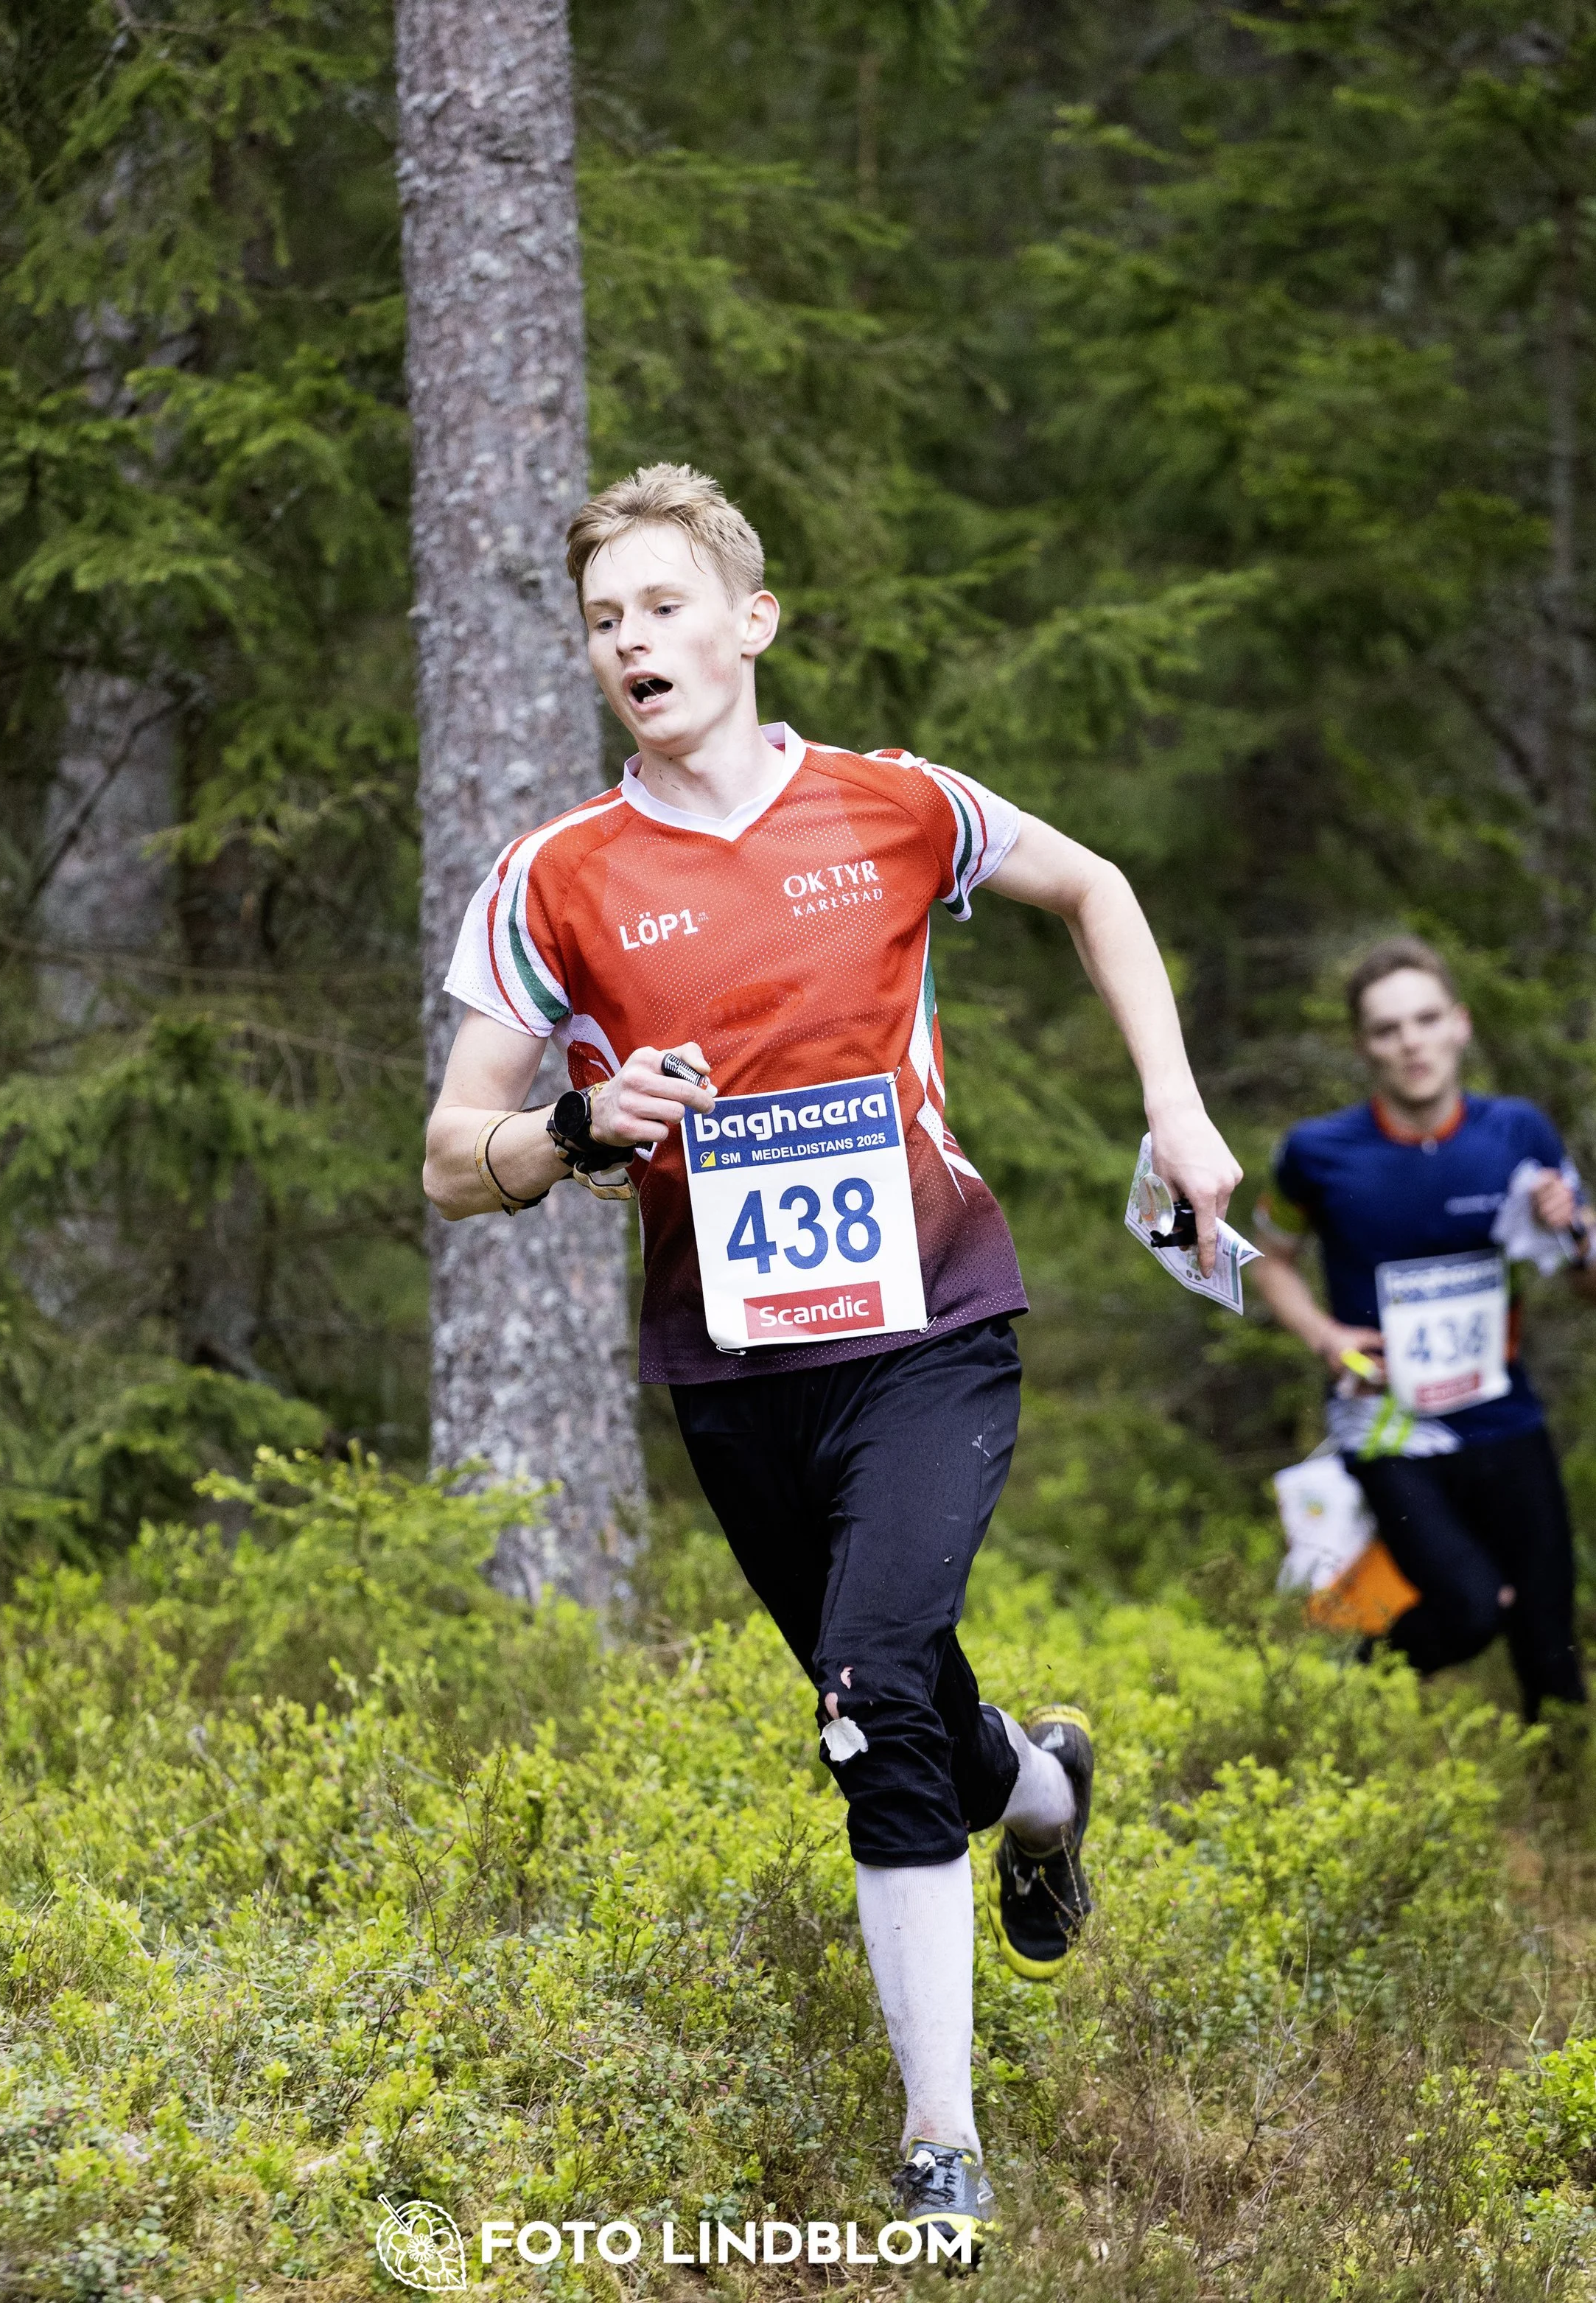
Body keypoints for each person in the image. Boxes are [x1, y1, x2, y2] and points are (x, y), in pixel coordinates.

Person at [422, 463, 1240, 2249]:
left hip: (934, 1323)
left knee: (866, 1689)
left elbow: (1095, 889)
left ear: (749, 621)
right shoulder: (554, 879)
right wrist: (574, 1132)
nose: (628, 639)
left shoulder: (888, 806)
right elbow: (447, 1156)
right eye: (601, 620)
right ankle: (1039, 1788)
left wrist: (1177, 1114)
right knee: (901, 1694)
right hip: (732, 1373)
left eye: (657, 604)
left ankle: (938, 2140)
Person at [1253, 936, 1592, 1724]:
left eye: (1425, 1018)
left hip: (1503, 1415)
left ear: (1459, 1025)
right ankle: (1348, 1694)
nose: (1410, 1041)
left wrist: (1573, 1230)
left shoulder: (1517, 1134)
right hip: (1388, 1424)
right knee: (1472, 1607)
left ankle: (1559, 1805)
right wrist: (1321, 1333)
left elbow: (1586, 1283)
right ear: (1362, 1045)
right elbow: (1271, 1259)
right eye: (1386, 1028)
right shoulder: (1317, 1153)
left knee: (1550, 1640)